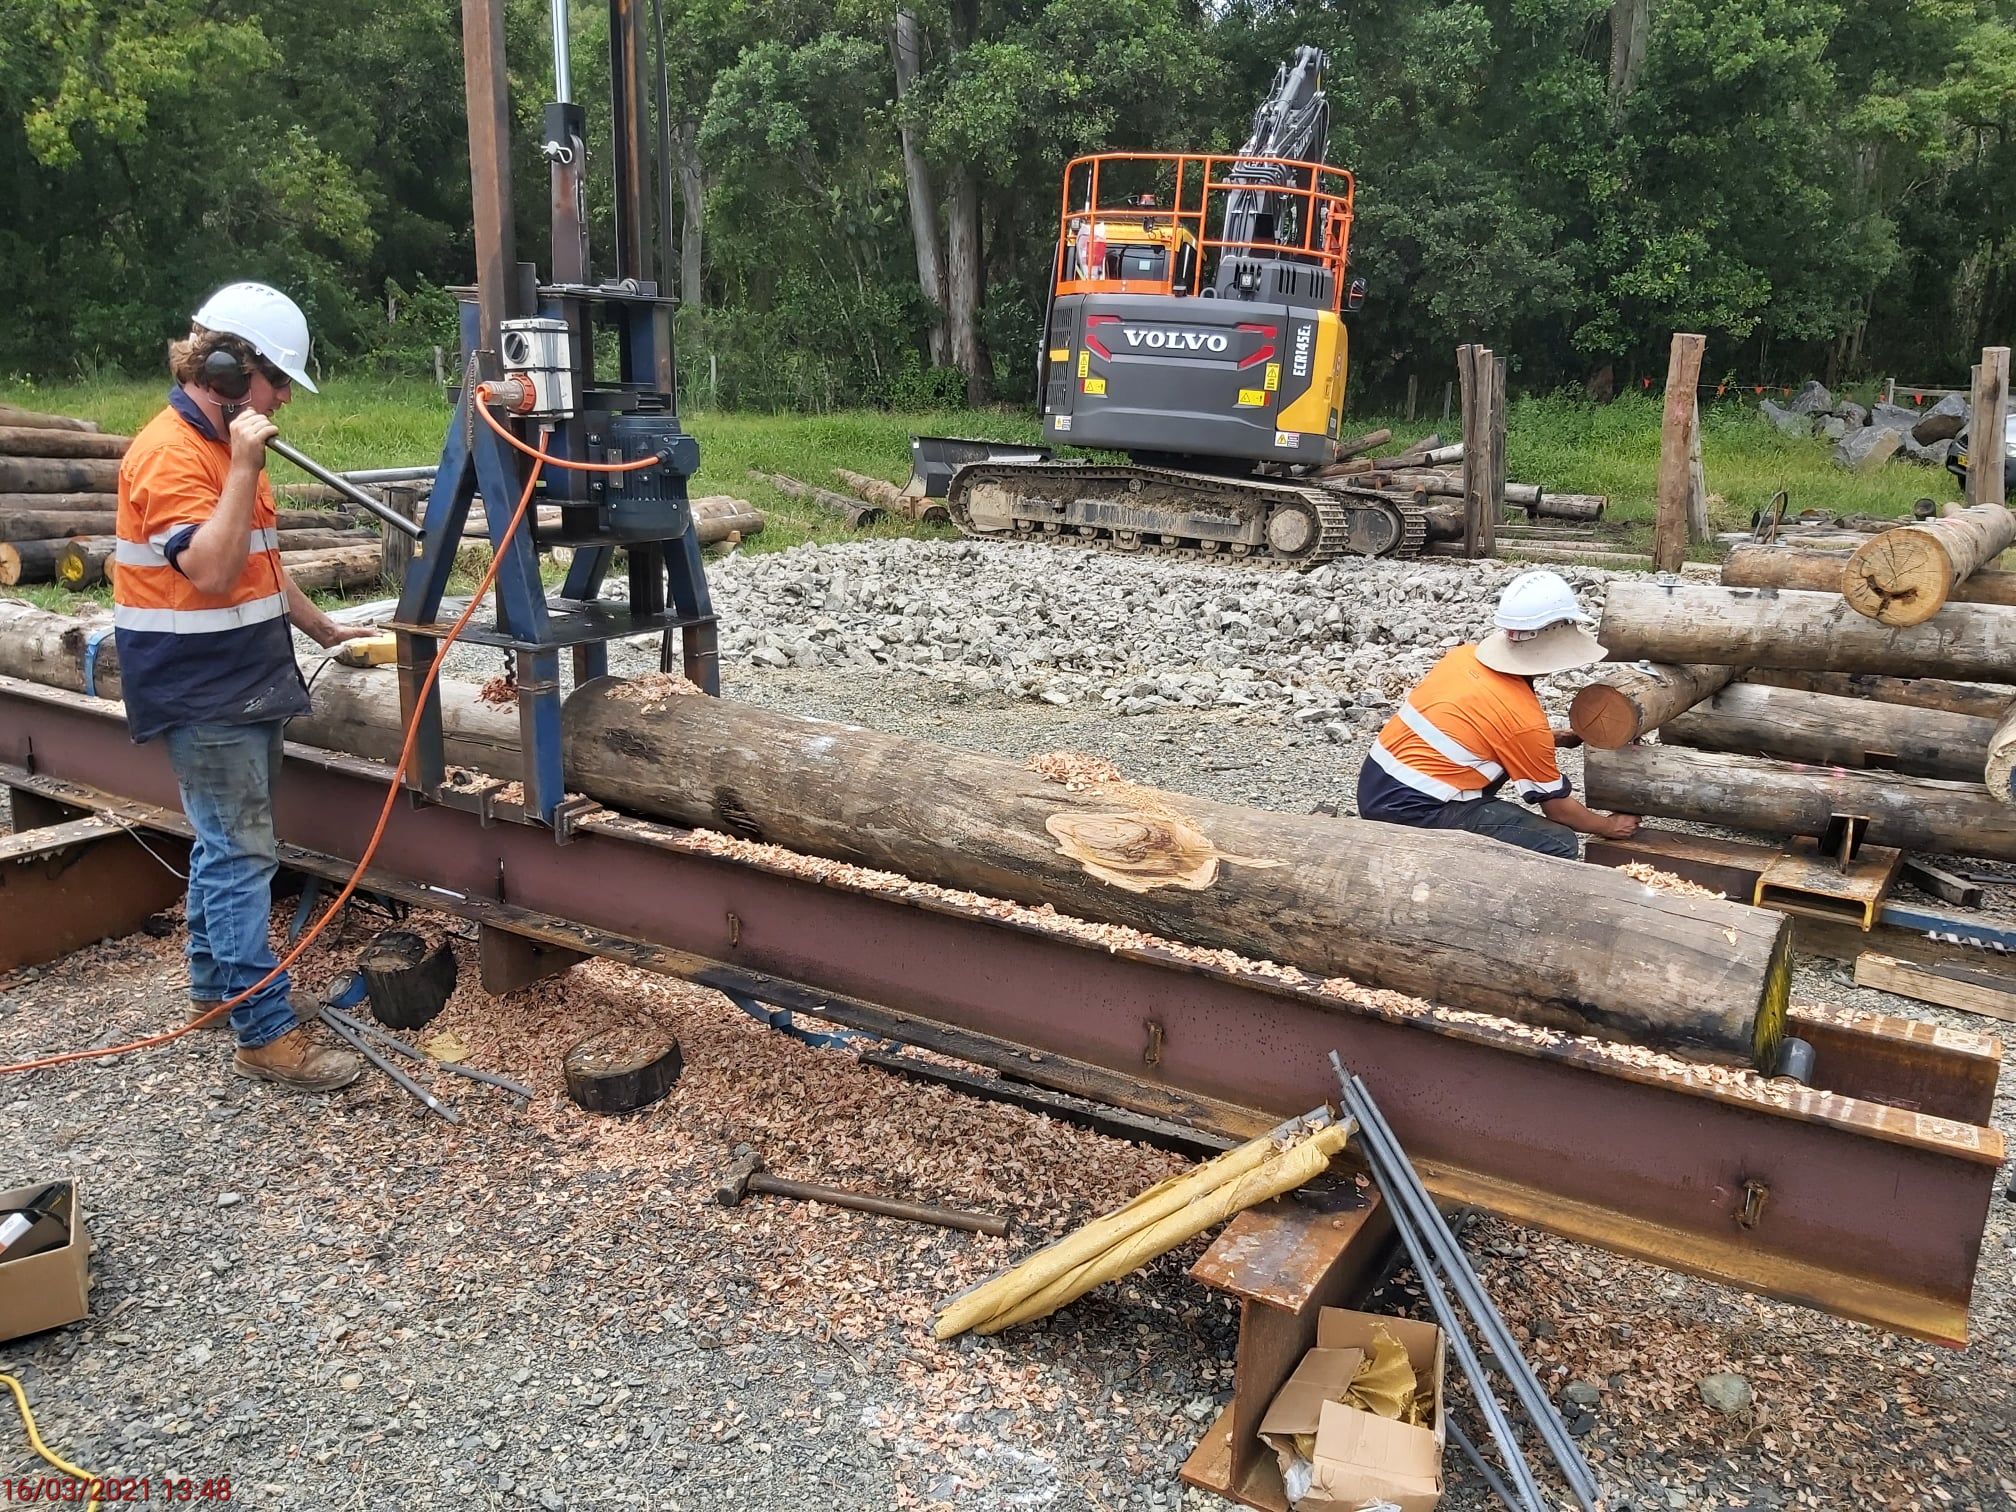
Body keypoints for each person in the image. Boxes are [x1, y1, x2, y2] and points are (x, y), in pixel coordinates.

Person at [114, 282, 374, 1092]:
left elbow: (258, 567)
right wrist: (247, 464)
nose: (285, 398)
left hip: (247, 677)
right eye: (278, 380)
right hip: (204, 691)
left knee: (224, 845)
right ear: (228, 370)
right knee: (240, 855)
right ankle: (263, 1033)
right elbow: (213, 566)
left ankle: (212, 989)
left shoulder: (223, 445)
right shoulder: (173, 455)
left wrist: (322, 628)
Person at [1355, 570, 1640, 859]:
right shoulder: (1522, 722)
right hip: (1408, 813)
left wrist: (1554, 739)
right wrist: (1609, 825)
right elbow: (1558, 808)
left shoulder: (1463, 657)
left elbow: (1474, 728)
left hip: (1375, 788)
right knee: (1559, 843)